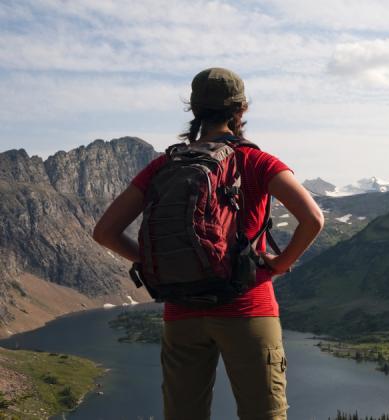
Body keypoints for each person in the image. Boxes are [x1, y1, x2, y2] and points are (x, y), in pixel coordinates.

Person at [93, 67, 324, 420]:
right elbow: (313, 220)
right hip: (247, 307)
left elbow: (105, 231)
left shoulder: (163, 166)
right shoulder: (257, 161)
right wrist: (280, 264)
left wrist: (153, 263)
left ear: (194, 110)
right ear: (241, 110)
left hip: (182, 309)